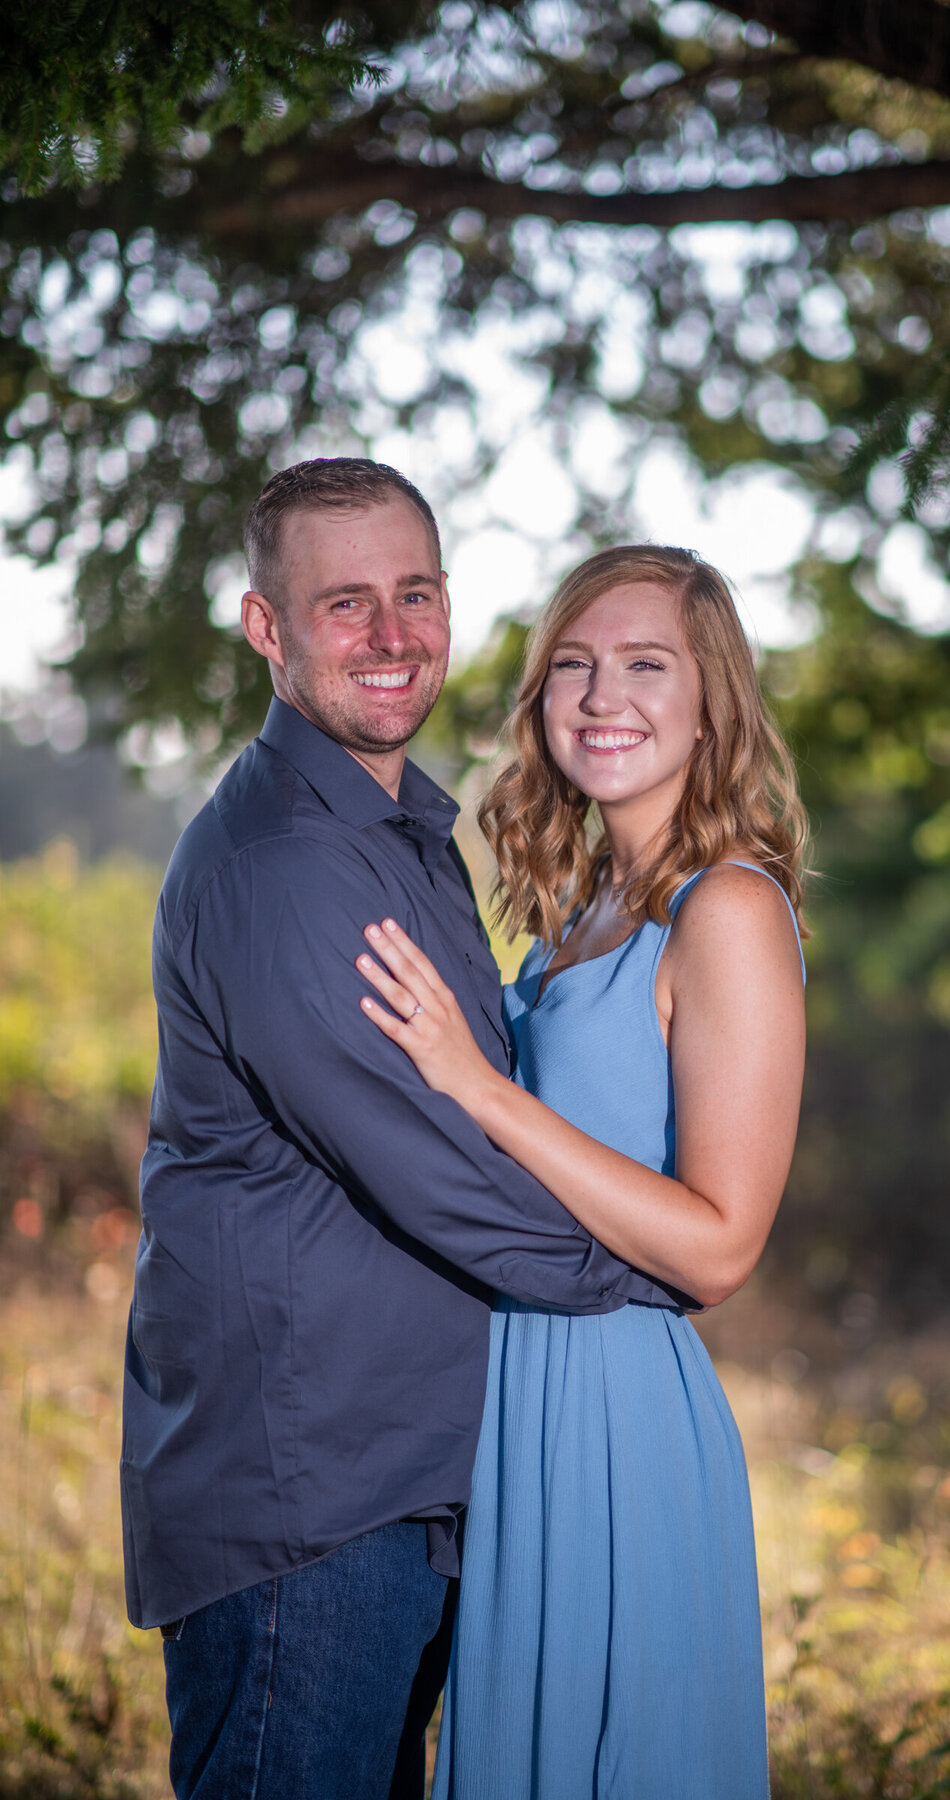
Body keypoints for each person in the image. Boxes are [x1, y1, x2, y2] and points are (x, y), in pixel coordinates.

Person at [121, 460, 684, 1800]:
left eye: (415, 594)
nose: (392, 634)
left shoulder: (398, 830)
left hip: (402, 1481)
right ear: (267, 628)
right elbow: (445, 1176)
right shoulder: (287, 862)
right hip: (308, 1504)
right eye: (345, 603)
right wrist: (663, 1274)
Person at [355, 544, 809, 1799]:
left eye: (647, 666)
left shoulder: (729, 909)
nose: (604, 697)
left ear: (712, 701)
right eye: (575, 667)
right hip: (516, 1397)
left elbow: (722, 1244)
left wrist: (479, 1084)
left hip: (616, 1408)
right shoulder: (585, 912)